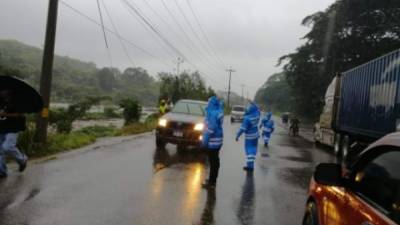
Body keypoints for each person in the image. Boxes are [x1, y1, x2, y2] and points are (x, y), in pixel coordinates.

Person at [0, 90, 28, 178]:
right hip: (2, 127)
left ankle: (22, 159)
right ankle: (2, 171)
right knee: (0, 150)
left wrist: (5, 114)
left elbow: (21, 114)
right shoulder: (1, 101)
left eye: (4, 90)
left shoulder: (18, 101)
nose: (2, 92)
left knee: (7, 146)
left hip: (13, 128)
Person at [201, 96, 224, 189]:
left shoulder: (213, 113)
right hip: (218, 140)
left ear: (212, 103)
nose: (208, 103)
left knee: (213, 161)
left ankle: (211, 183)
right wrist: (218, 101)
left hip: (212, 141)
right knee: (215, 161)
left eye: (209, 101)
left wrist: (205, 141)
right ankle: (212, 180)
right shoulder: (218, 110)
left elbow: (211, 128)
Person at [236, 102, 261, 172]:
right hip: (256, 135)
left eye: (249, 107)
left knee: (249, 150)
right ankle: (251, 165)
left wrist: (237, 135)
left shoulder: (247, 118)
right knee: (253, 149)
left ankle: (250, 166)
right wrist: (255, 105)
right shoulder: (257, 115)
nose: (247, 108)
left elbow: (242, 129)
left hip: (249, 137)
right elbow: (258, 111)